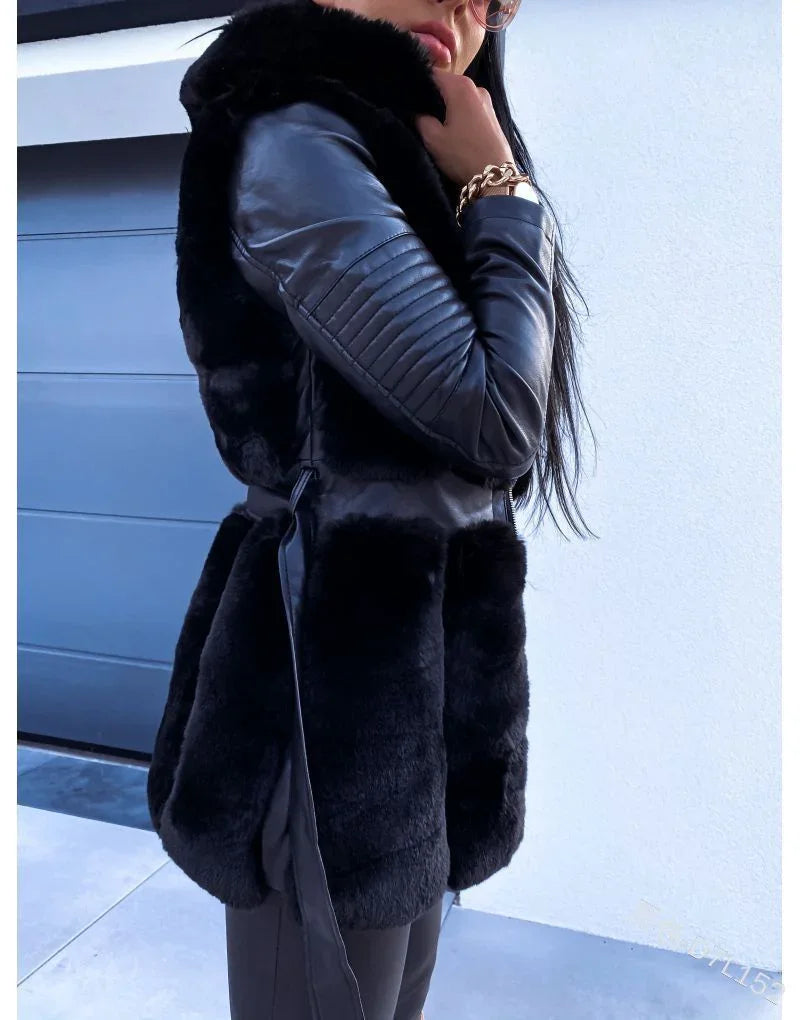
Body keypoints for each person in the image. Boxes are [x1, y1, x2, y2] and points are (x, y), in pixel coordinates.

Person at [146, 0, 594, 1017]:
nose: (460, 11)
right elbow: (493, 423)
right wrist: (501, 189)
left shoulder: (389, 151)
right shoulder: (296, 135)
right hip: (326, 688)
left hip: (403, 674)